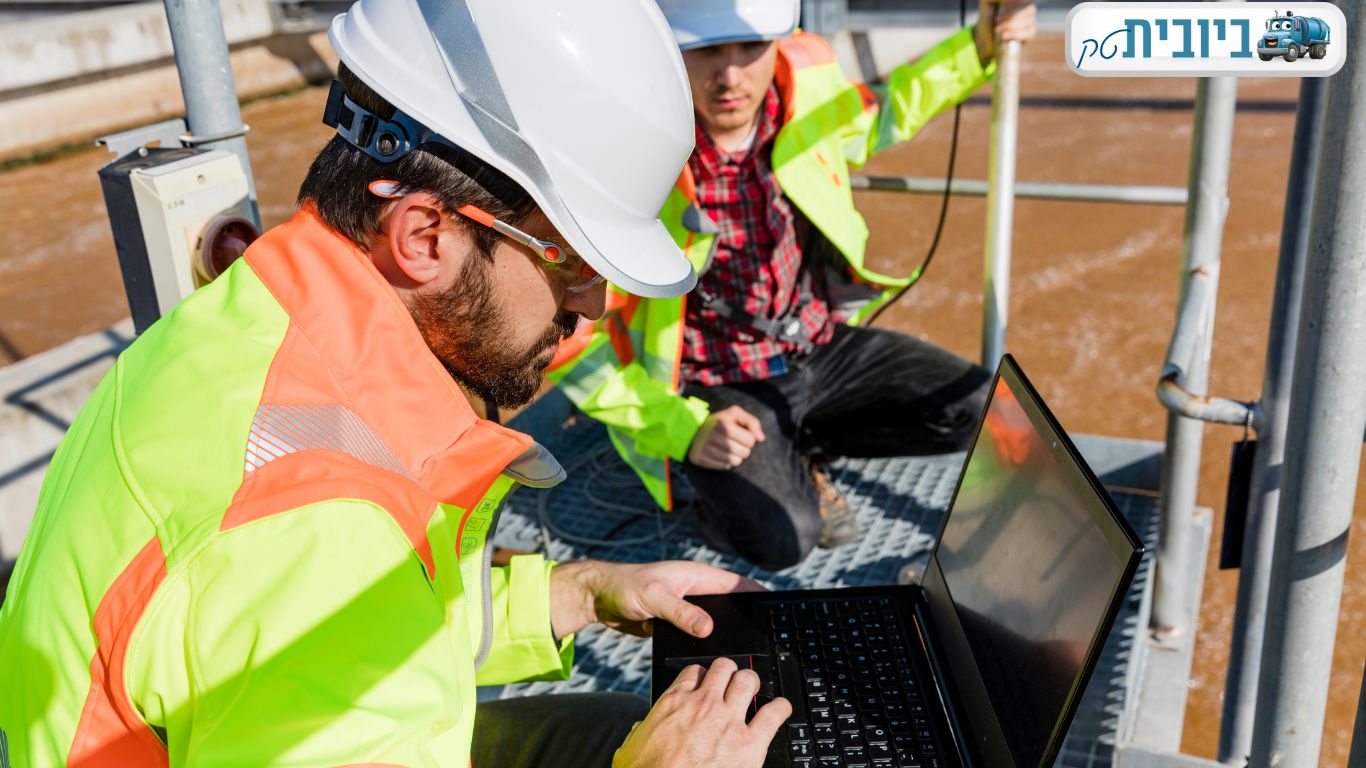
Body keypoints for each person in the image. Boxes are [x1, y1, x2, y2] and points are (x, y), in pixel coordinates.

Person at [0, 1, 792, 765]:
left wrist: (582, 593)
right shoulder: (310, 530)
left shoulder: (252, 319)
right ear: (422, 235)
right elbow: (327, 592)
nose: (592, 309)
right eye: (573, 264)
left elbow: (371, 622)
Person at [549, 0, 1037, 571]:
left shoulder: (809, 84)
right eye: (705, 51)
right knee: (784, 540)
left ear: (777, 45)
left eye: (748, 49)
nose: (729, 76)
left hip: (819, 345)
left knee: (984, 407)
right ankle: (716, 488)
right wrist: (680, 428)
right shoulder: (623, 154)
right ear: (668, 55)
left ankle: (803, 445)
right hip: (715, 379)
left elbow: (881, 115)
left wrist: (980, 44)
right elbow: (569, 338)